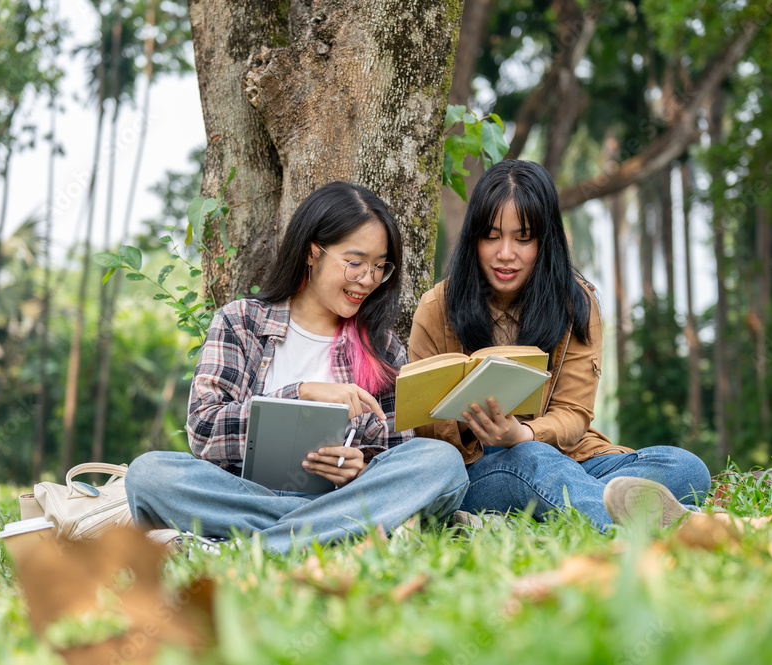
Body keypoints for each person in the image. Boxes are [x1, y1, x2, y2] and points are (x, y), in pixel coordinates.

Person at [125, 181, 468, 553]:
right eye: (355, 263)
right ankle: (330, 534)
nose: (367, 280)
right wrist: (302, 393)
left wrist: (361, 470)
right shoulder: (241, 322)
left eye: (379, 267)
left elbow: (398, 452)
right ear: (312, 253)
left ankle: (248, 548)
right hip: (245, 497)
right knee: (149, 475)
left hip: (345, 496)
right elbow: (204, 431)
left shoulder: (382, 347)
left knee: (441, 463)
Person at [408, 160, 710, 533]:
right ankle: (623, 529)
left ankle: (548, 511)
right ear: (474, 238)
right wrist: (496, 436)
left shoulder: (575, 303)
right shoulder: (437, 307)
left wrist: (524, 434)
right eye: (492, 236)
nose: (506, 253)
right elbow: (419, 424)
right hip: (476, 474)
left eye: (523, 238)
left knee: (685, 468)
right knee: (531, 461)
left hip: (568, 458)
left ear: (545, 240)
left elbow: (574, 412)